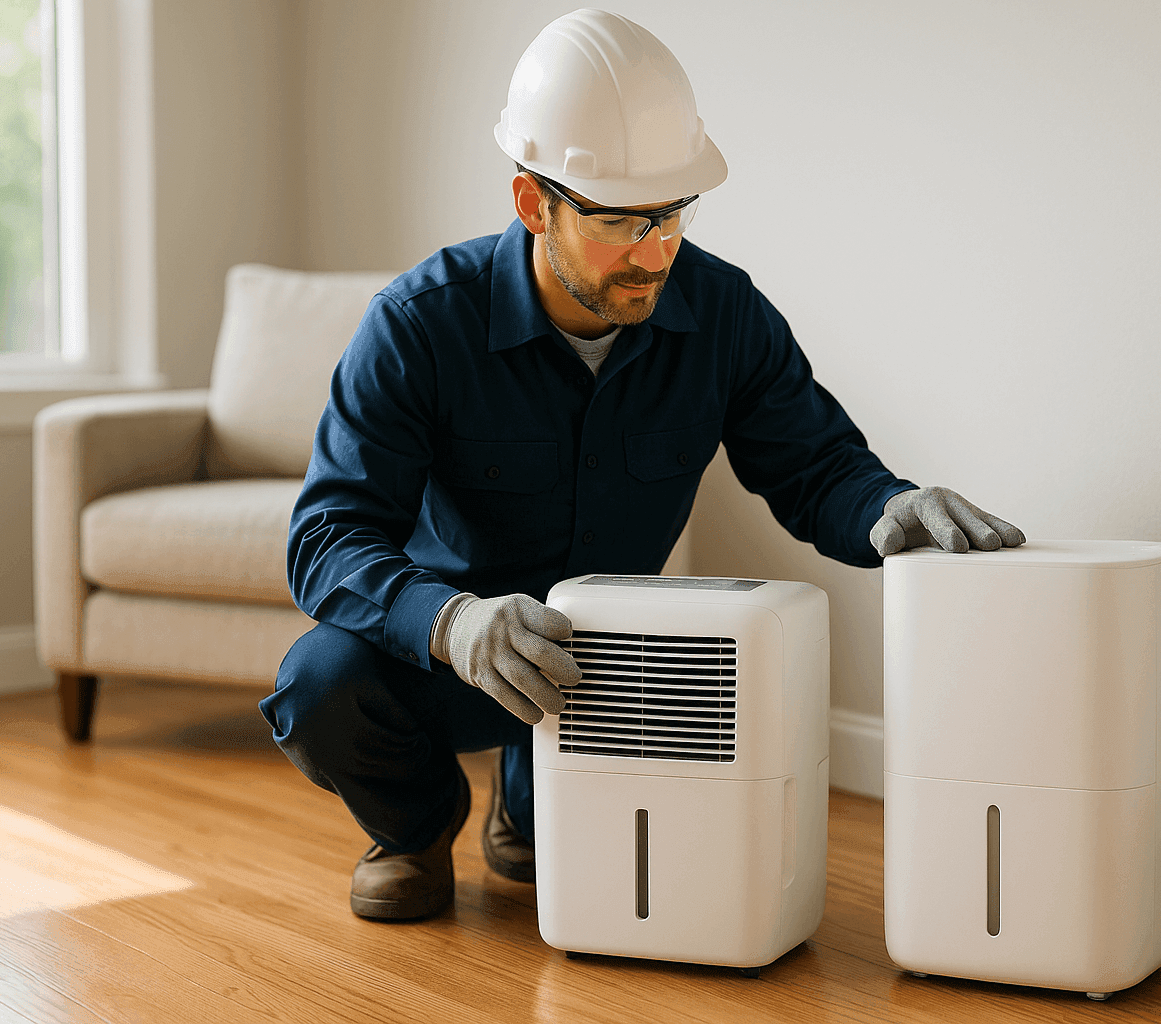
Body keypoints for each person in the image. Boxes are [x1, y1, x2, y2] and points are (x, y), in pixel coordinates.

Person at [260, 9, 1024, 922]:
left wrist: (889, 507)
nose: (656, 252)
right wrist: (452, 621)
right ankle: (417, 827)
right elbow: (326, 539)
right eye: (621, 222)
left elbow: (817, 466)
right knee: (318, 684)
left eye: (671, 216)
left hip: (611, 668)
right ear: (533, 204)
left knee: (570, 861)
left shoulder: (725, 314)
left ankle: (529, 809)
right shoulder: (419, 324)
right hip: (450, 658)